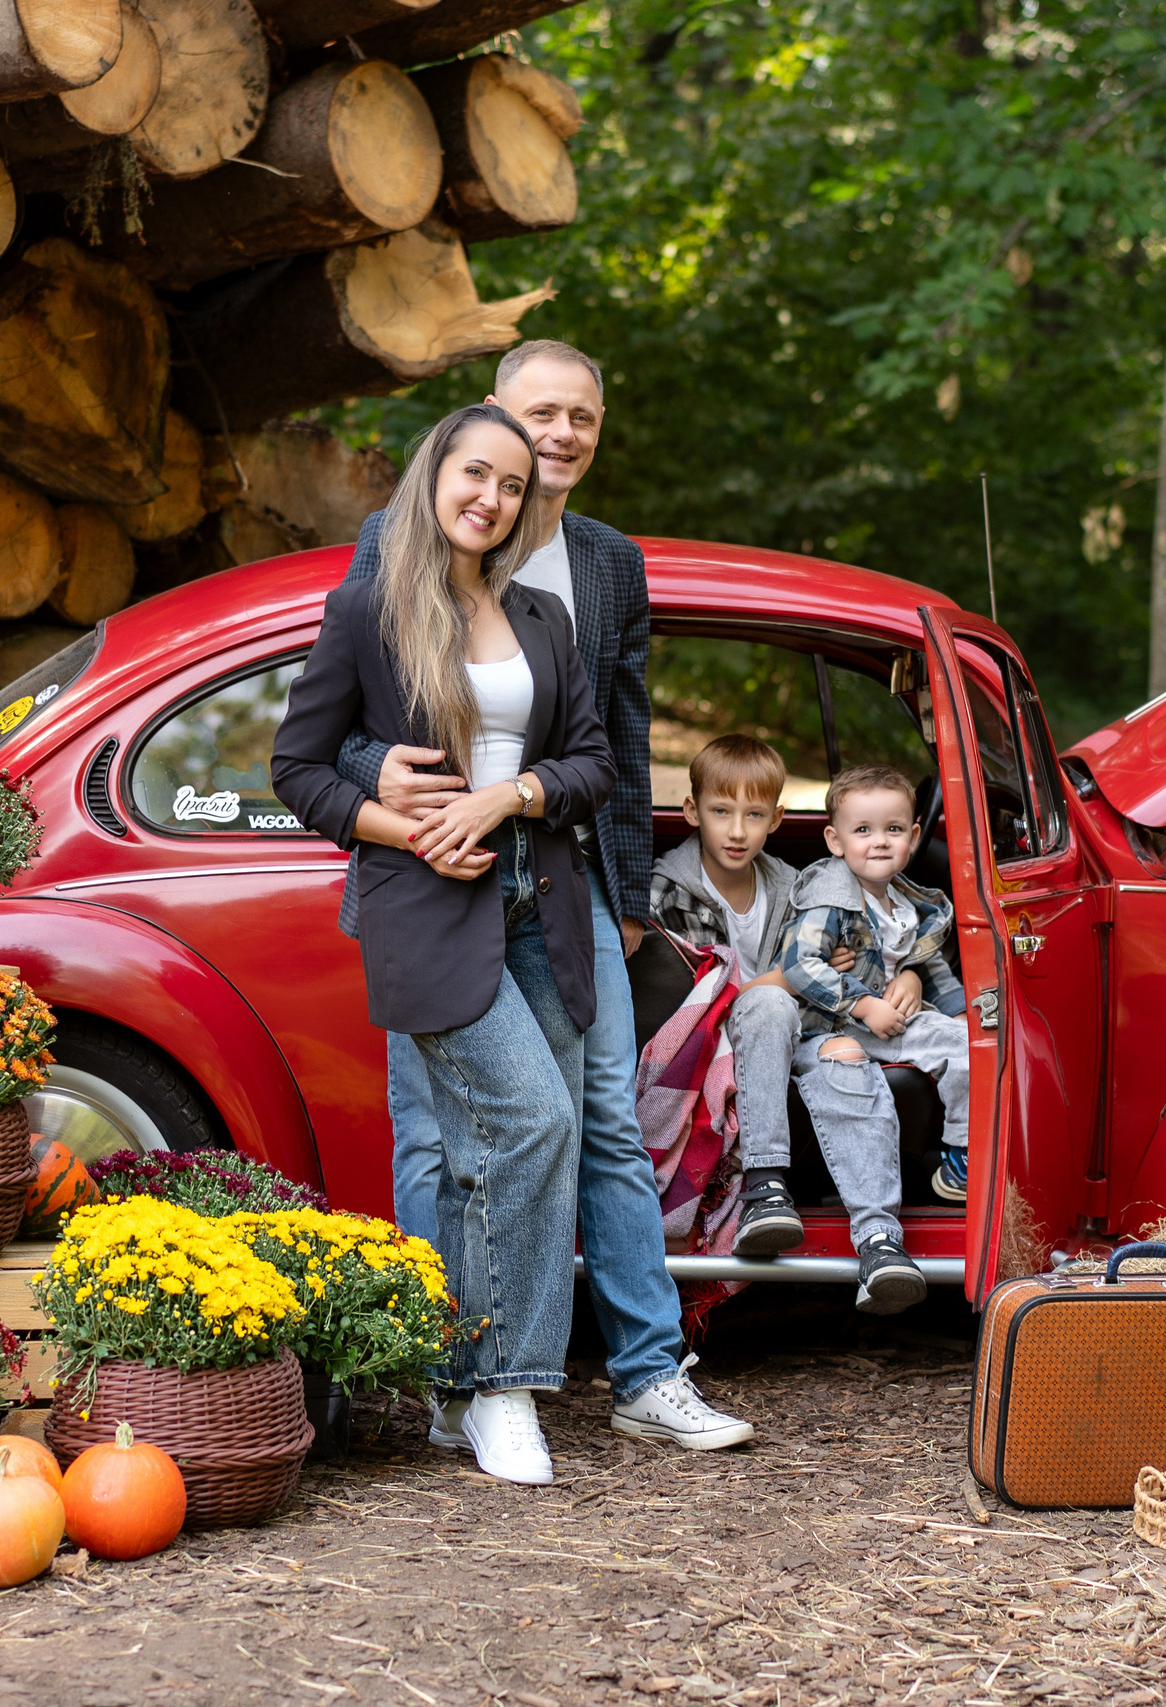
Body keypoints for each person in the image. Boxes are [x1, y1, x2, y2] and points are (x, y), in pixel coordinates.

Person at [331, 341, 751, 1454]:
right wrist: (377, 778)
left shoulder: (608, 564)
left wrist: (622, 895)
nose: (556, 436)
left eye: (580, 419)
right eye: (535, 417)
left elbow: (617, 737)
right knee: (436, 1142)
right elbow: (345, 716)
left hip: (569, 892)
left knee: (602, 1122)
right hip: (435, 887)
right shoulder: (398, 541)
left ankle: (649, 1373)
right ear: (483, 428)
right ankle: (446, 1375)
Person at [269, 403, 612, 1485]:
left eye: (511, 485)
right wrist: (408, 822)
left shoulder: (544, 618)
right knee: (537, 1124)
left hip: (538, 905)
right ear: (435, 476)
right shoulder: (368, 609)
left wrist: (509, 794)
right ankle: (506, 1390)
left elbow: (592, 762)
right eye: (476, 473)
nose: (491, 497)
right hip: (428, 910)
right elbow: (297, 769)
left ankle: (454, 1389)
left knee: (497, 1162)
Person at [778, 765, 973, 1315]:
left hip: (895, 1022)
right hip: (837, 1025)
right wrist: (863, 1002)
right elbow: (799, 967)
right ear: (835, 841)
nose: (878, 841)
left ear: (913, 837)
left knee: (971, 1050)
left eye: (892, 829)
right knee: (930, 1058)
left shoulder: (912, 903)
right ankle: (920, 1196)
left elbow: (936, 974)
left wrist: (966, 1019)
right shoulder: (828, 898)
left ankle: (957, 1160)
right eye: (862, 831)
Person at [644, 734, 811, 1256]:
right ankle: (765, 1185)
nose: (738, 832)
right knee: (769, 1001)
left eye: (755, 815)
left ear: (778, 818)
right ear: (692, 811)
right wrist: (787, 978)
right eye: (721, 811)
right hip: (705, 1041)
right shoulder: (664, 890)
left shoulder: (795, 887)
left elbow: (833, 967)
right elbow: (688, 1001)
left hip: (787, 1033)